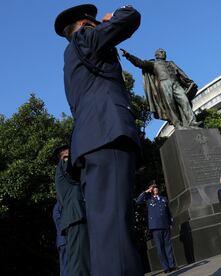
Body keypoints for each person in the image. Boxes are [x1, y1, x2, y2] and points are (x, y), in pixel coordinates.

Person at [54, 4, 143, 275]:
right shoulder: (85, 39)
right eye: (93, 24)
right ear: (84, 26)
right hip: (108, 136)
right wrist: (113, 16)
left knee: (106, 228)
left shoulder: (72, 58)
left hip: (93, 141)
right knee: (115, 228)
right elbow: (130, 17)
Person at [120, 48, 200, 128]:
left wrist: (189, 82)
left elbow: (180, 72)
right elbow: (140, 63)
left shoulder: (171, 63)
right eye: (162, 52)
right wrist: (129, 56)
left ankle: (192, 121)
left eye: (164, 52)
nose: (164, 53)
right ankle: (177, 124)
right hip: (164, 83)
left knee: (184, 100)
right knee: (170, 104)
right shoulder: (153, 63)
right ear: (157, 55)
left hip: (176, 83)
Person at [54, 145, 90, 276]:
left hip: (75, 219)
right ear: (64, 155)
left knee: (81, 262)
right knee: (80, 265)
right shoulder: (64, 164)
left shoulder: (63, 171)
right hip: (76, 218)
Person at [135, 182, 176, 273]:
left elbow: (168, 212)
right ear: (151, 190)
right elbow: (138, 201)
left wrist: (171, 223)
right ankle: (166, 267)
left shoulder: (163, 199)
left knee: (168, 246)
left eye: (156, 187)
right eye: (153, 188)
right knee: (160, 248)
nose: (155, 189)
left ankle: (172, 265)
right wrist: (147, 191)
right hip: (156, 226)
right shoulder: (148, 199)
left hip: (165, 225)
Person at [52, 201, 68, 276]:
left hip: (62, 241)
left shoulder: (58, 205)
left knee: (64, 268)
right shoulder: (62, 204)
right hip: (66, 241)